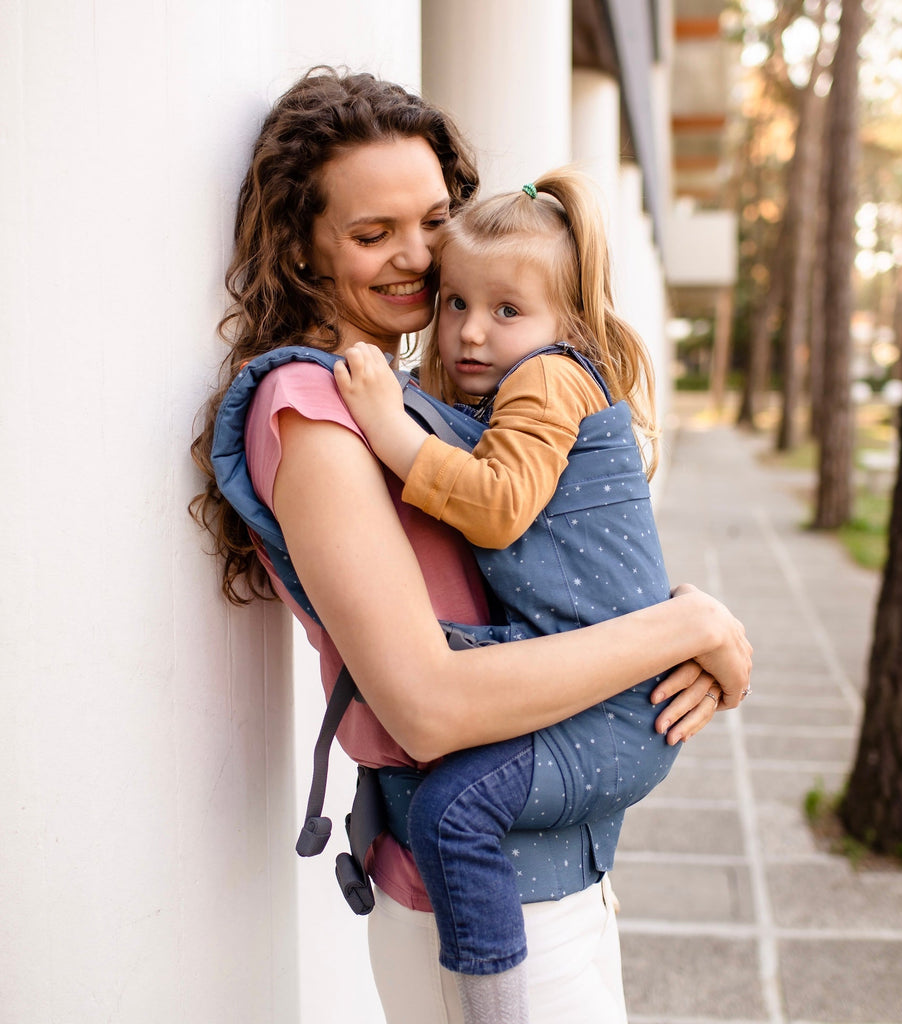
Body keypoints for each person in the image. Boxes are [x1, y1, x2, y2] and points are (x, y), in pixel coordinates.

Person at [190, 67, 752, 1024]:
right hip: (481, 898)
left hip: (553, 871)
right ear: (301, 252)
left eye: (433, 220)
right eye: (372, 235)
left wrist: (678, 625)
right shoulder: (318, 415)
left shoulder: (436, 396)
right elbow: (429, 707)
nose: (418, 256)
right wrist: (682, 626)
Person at [332, 169, 697, 1021]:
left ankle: (495, 1004)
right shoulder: (503, 387)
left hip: (612, 704)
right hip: (603, 686)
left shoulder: (546, 380)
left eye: (506, 311)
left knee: (456, 810)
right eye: (455, 302)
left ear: (564, 323)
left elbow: (496, 509)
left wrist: (389, 425)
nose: (467, 332)